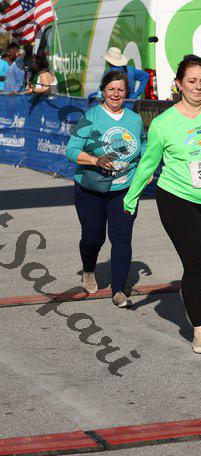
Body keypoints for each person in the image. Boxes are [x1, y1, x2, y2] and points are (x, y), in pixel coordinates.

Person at [123, 55, 201, 354]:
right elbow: (148, 163)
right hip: (177, 198)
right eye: (191, 81)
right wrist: (131, 197)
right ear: (179, 84)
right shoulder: (163, 123)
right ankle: (200, 331)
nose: (198, 86)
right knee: (196, 263)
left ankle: (190, 291)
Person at [66, 70, 146, 308]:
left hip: (125, 188)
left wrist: (146, 166)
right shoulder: (91, 117)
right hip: (91, 188)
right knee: (93, 237)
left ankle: (119, 290)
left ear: (127, 92)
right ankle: (88, 270)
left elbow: (143, 143)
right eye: (111, 89)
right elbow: (71, 149)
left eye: (121, 89)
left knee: (122, 238)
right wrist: (95, 160)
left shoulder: (134, 119)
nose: (116, 94)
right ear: (103, 91)